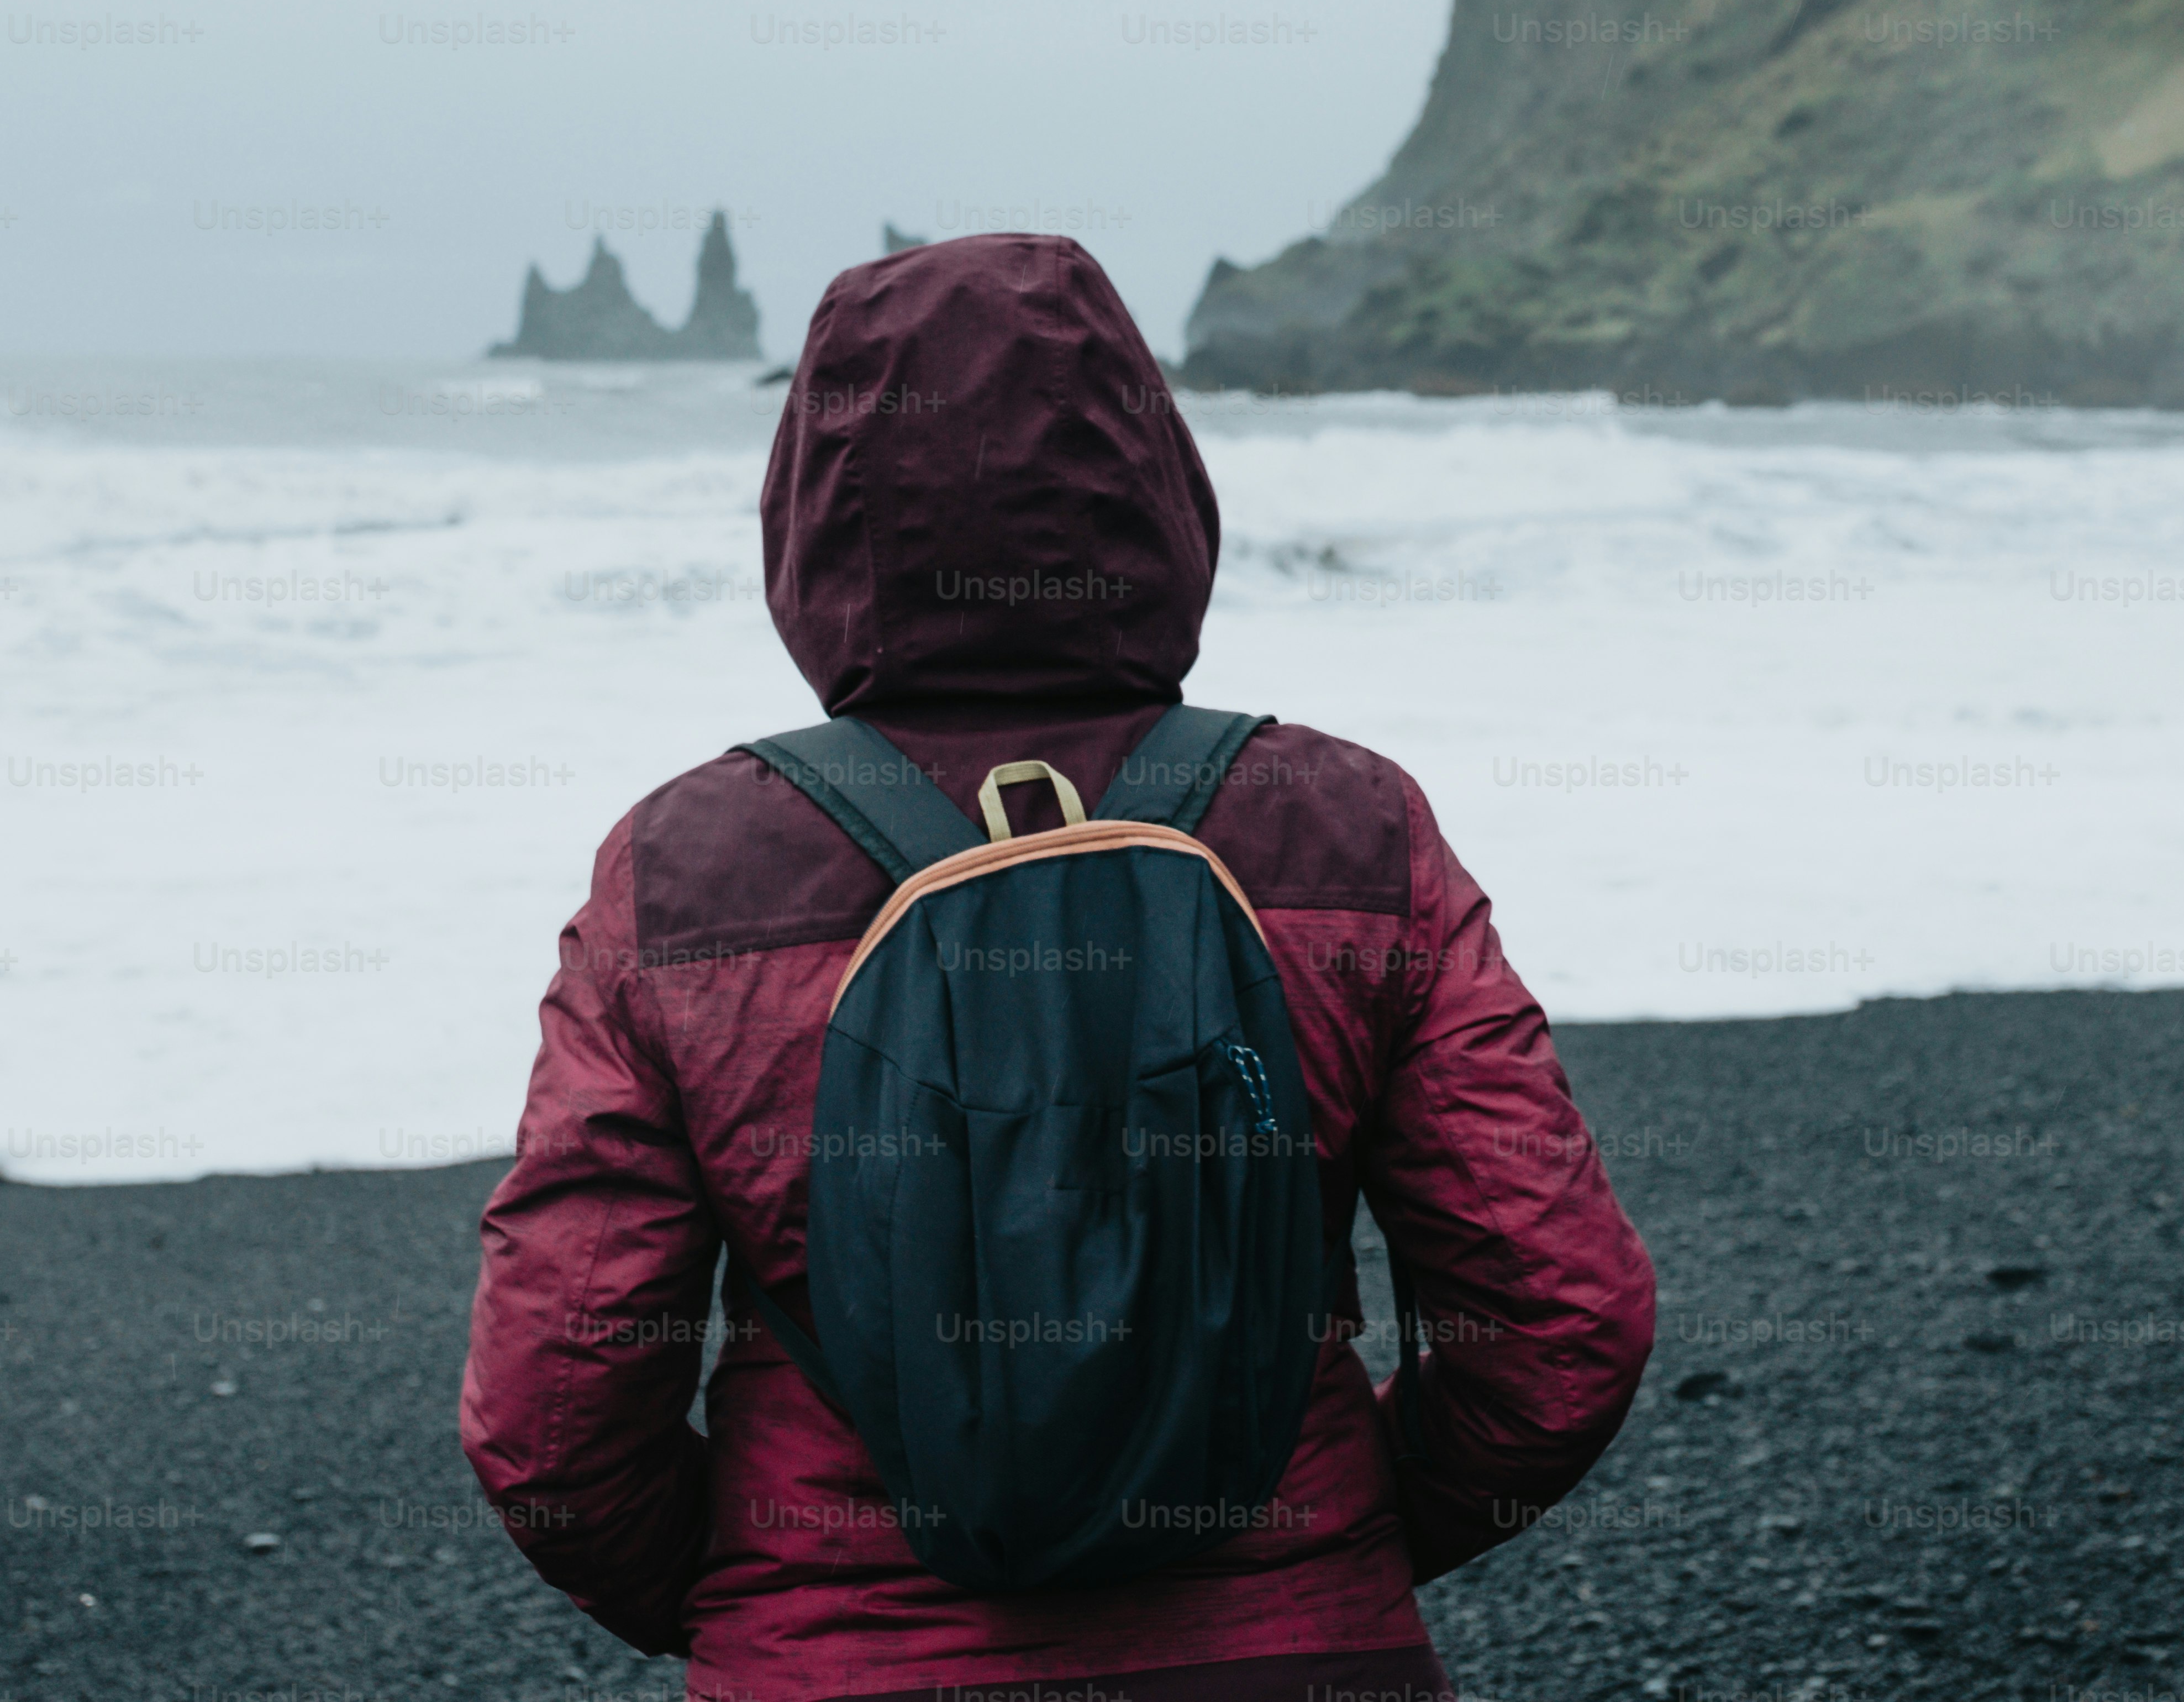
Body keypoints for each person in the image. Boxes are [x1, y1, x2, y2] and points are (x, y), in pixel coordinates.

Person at [461, 233, 1657, 1702]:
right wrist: (1351, 1532)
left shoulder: (686, 866)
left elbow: (556, 1403)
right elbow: (1562, 1320)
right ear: (1157, 479)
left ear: (814, 511)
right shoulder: (1352, 826)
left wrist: (735, 1601)